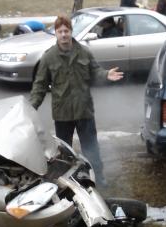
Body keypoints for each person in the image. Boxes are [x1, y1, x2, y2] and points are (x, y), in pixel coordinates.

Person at [30, 15, 124, 186]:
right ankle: (67, 183)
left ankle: (99, 181)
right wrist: (31, 108)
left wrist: (105, 74)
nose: (64, 35)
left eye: (66, 31)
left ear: (71, 32)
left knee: (91, 149)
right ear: (56, 34)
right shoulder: (48, 57)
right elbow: (39, 86)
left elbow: (95, 72)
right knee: (64, 152)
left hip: (84, 111)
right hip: (62, 114)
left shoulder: (84, 52)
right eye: (60, 31)